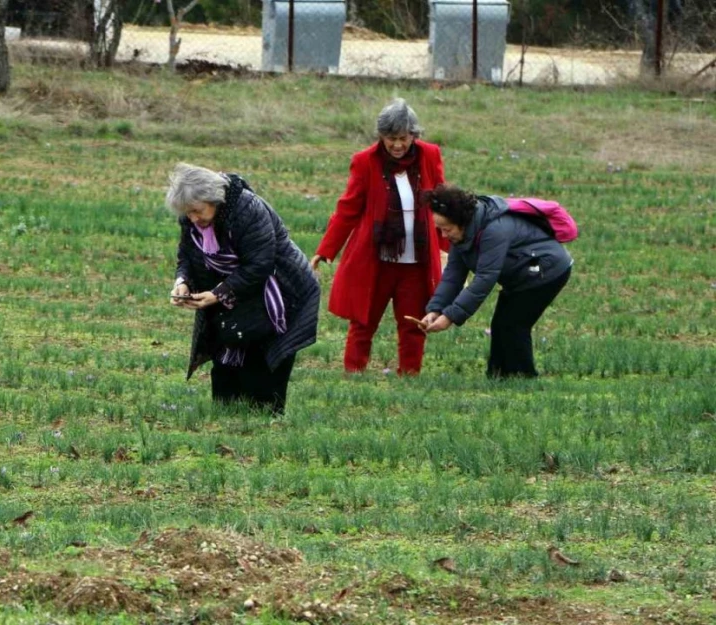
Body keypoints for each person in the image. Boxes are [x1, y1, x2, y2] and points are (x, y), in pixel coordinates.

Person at [167, 163, 320, 414]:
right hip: (232, 297)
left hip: (277, 294)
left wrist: (217, 294)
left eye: (197, 211)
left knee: (261, 371)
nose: (193, 219)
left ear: (213, 199)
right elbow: (187, 255)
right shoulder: (192, 217)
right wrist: (182, 282)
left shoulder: (248, 210)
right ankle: (227, 425)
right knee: (225, 376)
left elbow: (259, 265)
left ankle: (263, 428)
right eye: (188, 214)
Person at [310, 98, 446, 375]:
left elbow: (441, 202)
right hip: (375, 259)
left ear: (414, 135)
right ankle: (354, 372)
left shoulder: (430, 155)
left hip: (416, 259)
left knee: (413, 322)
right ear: (381, 137)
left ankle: (410, 375)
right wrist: (326, 250)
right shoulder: (365, 161)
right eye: (390, 138)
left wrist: (448, 248)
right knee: (363, 321)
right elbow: (348, 208)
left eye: (403, 138)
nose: (397, 145)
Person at [420, 184, 574, 378]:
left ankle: (522, 378)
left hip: (547, 271)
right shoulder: (462, 237)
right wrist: (436, 308)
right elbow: (453, 276)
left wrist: (450, 316)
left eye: (447, 229)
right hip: (522, 274)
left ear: (462, 222)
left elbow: (485, 279)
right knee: (501, 325)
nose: (444, 235)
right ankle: (498, 377)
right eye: (439, 230)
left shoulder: (494, 230)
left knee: (513, 324)